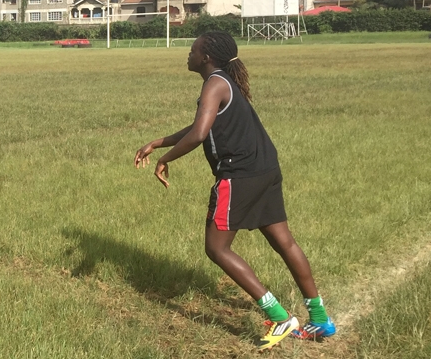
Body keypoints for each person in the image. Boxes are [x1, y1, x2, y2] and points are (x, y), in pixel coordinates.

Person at [133, 31, 334, 351]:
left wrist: (164, 158)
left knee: (217, 248)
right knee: (285, 243)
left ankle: (279, 317)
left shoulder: (214, 82)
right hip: (265, 168)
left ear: (206, 56)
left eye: (193, 49)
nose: (188, 53)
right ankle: (320, 318)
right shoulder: (223, 81)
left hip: (240, 175)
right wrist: (158, 141)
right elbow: (203, 124)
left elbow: (199, 133)